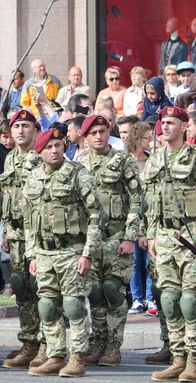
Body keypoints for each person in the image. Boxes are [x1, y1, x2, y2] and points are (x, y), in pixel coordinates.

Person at [25, 128, 102, 377]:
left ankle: (77, 357)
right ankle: (55, 355)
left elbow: (96, 215)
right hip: (44, 253)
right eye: (49, 147)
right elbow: (28, 220)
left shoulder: (78, 174)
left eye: (58, 145)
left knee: (74, 305)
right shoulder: (33, 178)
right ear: (40, 151)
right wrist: (32, 255)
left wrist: (88, 253)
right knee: (47, 305)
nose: (55, 150)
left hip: (72, 251)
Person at [79, 115, 142, 367]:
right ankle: (97, 342)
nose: (98, 136)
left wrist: (130, 237)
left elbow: (137, 198)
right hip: (91, 241)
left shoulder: (122, 160)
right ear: (85, 137)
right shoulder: (80, 164)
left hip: (117, 238)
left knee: (112, 291)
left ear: (109, 133)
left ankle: (114, 346)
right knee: (94, 292)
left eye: (103, 131)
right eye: (93, 132)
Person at [146, 106, 196, 382]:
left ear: (185, 127)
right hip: (164, 237)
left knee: (191, 301)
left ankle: (194, 359)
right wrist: (151, 234)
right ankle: (178, 359)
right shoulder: (155, 160)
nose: (164, 127)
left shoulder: (194, 158)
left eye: (171, 122)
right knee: (169, 299)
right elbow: (151, 200)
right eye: (163, 122)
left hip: (191, 235)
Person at [0, 110, 44, 369]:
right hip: (15, 235)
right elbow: (8, 196)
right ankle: (29, 341)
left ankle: (46, 344)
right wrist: (5, 231)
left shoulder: (42, 157)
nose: (21, 131)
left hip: (36, 234)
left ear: (35, 130)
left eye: (26, 126)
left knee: (42, 290)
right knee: (22, 288)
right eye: (17, 127)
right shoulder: (11, 158)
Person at [125, 121, 155, 315]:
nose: (150, 141)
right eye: (146, 137)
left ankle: (151, 298)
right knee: (135, 262)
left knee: (150, 261)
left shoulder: (152, 160)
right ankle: (137, 299)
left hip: (149, 216)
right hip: (131, 218)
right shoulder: (125, 160)